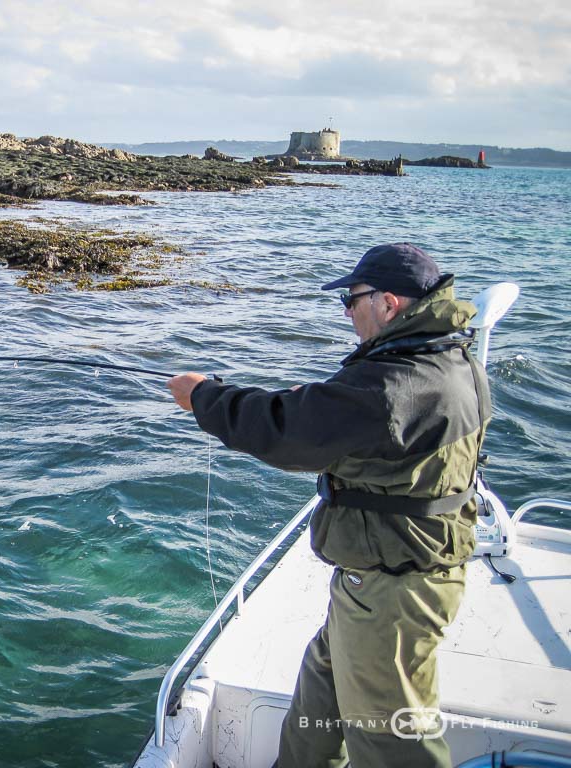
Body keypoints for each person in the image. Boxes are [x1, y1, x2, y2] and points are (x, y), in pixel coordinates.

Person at [167, 243, 490, 768]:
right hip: (383, 578)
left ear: (388, 303)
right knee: (318, 707)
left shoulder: (396, 381)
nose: (346, 310)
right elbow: (379, 437)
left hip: (394, 593)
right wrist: (326, 412)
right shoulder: (448, 360)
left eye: (353, 298)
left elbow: (287, 432)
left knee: (393, 743)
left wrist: (203, 395)